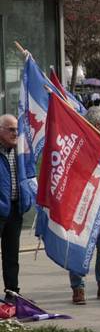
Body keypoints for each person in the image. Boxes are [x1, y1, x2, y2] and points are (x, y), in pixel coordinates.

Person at [62, 107, 100, 304]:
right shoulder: (79, 145)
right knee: (79, 245)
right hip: (82, 203)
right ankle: (78, 287)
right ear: (97, 125)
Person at [0, 115, 32, 304]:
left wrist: (28, 198)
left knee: (11, 255)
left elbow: (29, 175)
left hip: (15, 209)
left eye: (16, 129)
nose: (15, 133)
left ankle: (12, 292)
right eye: (11, 129)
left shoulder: (21, 151)